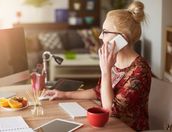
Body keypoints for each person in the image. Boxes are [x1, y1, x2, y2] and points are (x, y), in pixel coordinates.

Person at [43, 1, 151, 131]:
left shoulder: (140, 70)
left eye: (105, 32)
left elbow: (109, 110)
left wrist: (105, 70)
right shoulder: (113, 60)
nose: (100, 37)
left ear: (121, 38)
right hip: (109, 125)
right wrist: (64, 95)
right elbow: (99, 91)